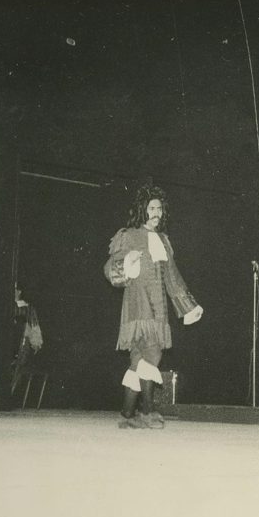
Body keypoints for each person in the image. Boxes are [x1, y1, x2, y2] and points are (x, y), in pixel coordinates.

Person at [104, 184, 203, 429]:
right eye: (151, 208)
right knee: (153, 352)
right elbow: (110, 269)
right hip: (138, 304)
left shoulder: (164, 241)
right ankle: (146, 411)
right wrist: (127, 261)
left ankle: (128, 414)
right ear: (142, 210)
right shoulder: (129, 235)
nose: (156, 213)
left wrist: (188, 307)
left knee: (139, 356)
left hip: (159, 308)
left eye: (159, 208)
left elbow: (172, 277)